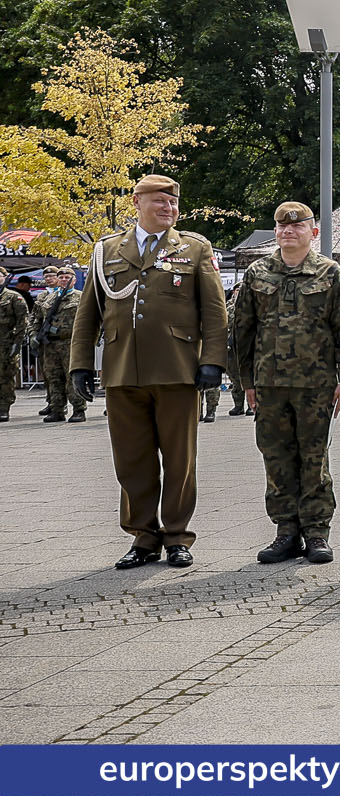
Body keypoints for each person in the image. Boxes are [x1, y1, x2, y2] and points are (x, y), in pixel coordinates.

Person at [70, 173, 229, 569]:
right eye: (159, 202)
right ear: (137, 203)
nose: (168, 209)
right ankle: (143, 536)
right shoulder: (106, 250)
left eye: (173, 203)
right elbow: (88, 314)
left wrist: (212, 361)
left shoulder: (193, 248)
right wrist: (80, 365)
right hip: (123, 371)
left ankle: (176, 536)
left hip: (177, 370)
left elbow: (214, 311)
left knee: (180, 459)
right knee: (131, 459)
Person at [231, 202, 340, 565]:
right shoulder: (258, 273)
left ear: (313, 232)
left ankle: (317, 532)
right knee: (276, 458)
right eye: (282, 226)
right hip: (269, 385)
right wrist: (245, 381)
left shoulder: (330, 273)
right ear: (275, 232)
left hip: (316, 385)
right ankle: (286, 531)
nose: (289, 231)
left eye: (298, 226)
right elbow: (242, 330)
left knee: (314, 458)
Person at [35, 264, 88, 422]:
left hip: (71, 343)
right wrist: (34, 335)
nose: (64, 280)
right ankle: (57, 409)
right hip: (50, 345)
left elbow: (88, 320)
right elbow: (36, 318)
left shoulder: (81, 297)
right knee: (53, 377)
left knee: (72, 377)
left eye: (67, 278)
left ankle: (79, 409)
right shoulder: (48, 298)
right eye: (61, 277)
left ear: (74, 280)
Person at [0, 276, 26, 422]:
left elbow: (22, 321)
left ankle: (4, 408)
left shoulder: (13, 297)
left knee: (6, 377)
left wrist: (17, 343)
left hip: (6, 344)